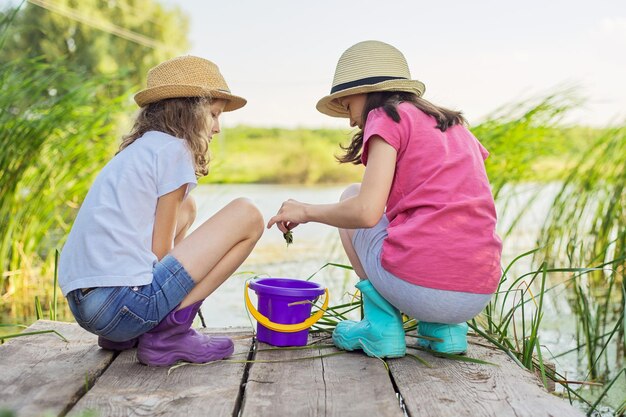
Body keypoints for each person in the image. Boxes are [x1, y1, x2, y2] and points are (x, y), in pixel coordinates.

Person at [267, 41, 502, 358]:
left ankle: (382, 327)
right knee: (407, 220)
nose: (351, 121)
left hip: (421, 288)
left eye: (348, 106)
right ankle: (444, 330)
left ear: (367, 93)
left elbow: (365, 212)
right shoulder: (456, 126)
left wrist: (306, 211)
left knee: (353, 195)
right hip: (478, 291)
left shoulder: (385, 116)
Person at [59, 56, 264, 366]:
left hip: (84, 306)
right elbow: (160, 252)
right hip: (123, 306)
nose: (218, 128)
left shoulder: (138, 149)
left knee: (189, 207)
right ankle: (171, 334)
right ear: (191, 111)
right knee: (249, 215)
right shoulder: (173, 149)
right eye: (213, 114)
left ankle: (126, 335)